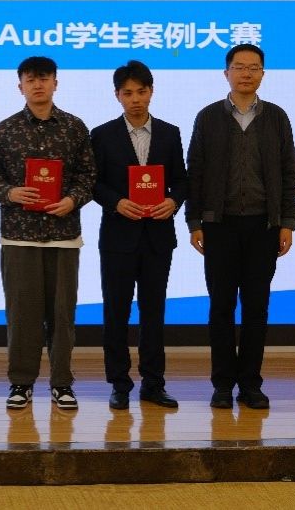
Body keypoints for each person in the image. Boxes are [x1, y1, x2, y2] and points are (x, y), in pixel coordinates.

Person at [186, 44, 295, 410]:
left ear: (263, 74)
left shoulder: (277, 117)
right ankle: (222, 385)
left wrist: (287, 222)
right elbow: (195, 172)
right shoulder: (208, 117)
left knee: (256, 308)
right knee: (220, 307)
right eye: (239, 67)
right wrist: (194, 221)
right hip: (219, 226)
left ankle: (250, 384)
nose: (246, 73)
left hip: (263, 227)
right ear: (227, 73)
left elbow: (288, 172)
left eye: (253, 67)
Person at [0, 56, 96, 410]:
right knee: (22, 315)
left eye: (44, 78)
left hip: (64, 234)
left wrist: (72, 199)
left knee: (62, 315)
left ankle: (62, 384)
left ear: (55, 83)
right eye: (30, 79)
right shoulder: (6, 129)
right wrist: (10, 192)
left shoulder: (74, 127)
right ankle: (21, 382)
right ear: (20, 86)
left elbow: (89, 176)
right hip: (19, 236)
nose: (38, 84)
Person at [90, 60, 187, 410]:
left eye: (141, 92)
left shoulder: (170, 133)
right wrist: (117, 202)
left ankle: (154, 384)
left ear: (151, 92)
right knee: (116, 313)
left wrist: (173, 201)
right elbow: (93, 182)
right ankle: (119, 384)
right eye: (128, 93)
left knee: (153, 313)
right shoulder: (102, 135)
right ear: (117, 95)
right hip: (118, 236)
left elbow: (182, 180)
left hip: (158, 236)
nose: (135, 99)